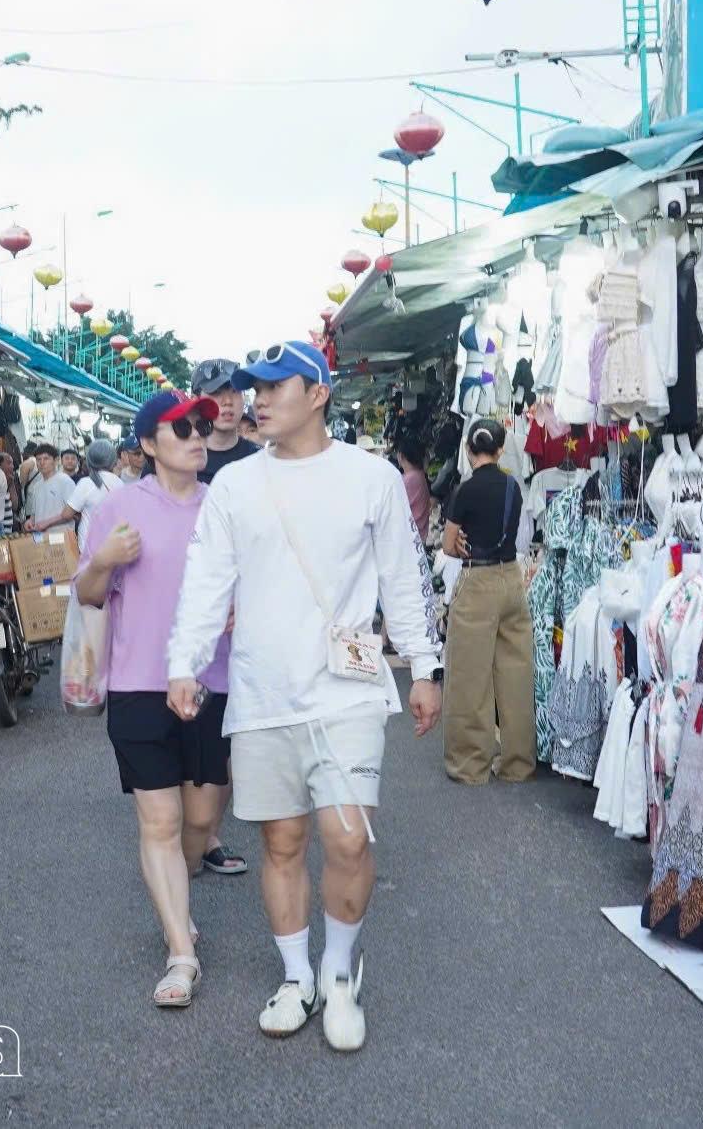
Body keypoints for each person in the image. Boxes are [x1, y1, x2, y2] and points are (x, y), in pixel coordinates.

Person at [167, 341, 442, 1051]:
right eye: (251, 388)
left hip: (345, 690)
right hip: (263, 689)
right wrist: (185, 663)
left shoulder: (370, 477)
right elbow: (207, 580)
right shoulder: (235, 486)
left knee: (347, 836)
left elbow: (401, 576)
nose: (255, 399)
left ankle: (340, 970)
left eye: (273, 386)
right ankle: (297, 976)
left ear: (317, 393)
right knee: (281, 840)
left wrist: (423, 666)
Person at [77, 390, 229, 1009]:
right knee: (160, 822)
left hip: (213, 682)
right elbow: (87, 594)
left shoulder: (224, 505)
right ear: (146, 444)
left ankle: (180, 898)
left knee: (199, 822)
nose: (198, 436)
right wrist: (105, 560)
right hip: (139, 684)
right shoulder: (118, 506)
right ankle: (180, 950)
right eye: (182, 428)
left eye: (202, 426)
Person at [188, 355, 260, 875]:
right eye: (219, 394)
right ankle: (198, 832)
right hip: (197, 619)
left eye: (236, 393)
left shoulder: (261, 461)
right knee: (198, 729)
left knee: (233, 734)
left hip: (251, 620)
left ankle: (207, 831)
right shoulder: (181, 460)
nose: (230, 402)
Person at [439, 418, 534, 786]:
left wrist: (460, 541)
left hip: (477, 581)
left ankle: (470, 764)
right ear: (500, 449)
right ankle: (518, 762)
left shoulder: (464, 491)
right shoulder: (512, 486)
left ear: (468, 450)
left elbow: (449, 546)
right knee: (515, 673)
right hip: (511, 579)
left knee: (469, 676)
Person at [39, 438, 122, 541]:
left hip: (90, 545)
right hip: (114, 543)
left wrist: (44, 523)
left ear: (89, 459)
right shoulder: (120, 483)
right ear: (113, 460)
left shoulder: (86, 483)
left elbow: (66, 514)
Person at [192, 358, 258, 484]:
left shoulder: (261, 460)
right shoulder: (175, 462)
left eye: (235, 391)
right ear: (195, 400)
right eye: (215, 392)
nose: (227, 401)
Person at [24, 443, 77, 533]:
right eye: (38, 459)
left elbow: (73, 513)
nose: (42, 462)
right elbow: (34, 513)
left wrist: (47, 523)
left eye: (46, 458)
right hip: (41, 537)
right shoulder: (37, 486)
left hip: (61, 537)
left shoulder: (64, 481)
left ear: (56, 461)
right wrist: (30, 521)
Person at [395, 438, 432, 546]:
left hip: (410, 537)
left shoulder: (408, 479)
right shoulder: (419, 474)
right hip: (418, 534)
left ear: (401, 455)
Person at [0, 451, 20, 531]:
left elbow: (15, 506)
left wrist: (11, 484)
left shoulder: (10, 480)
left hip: (8, 530)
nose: (13, 467)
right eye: (9, 463)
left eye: (12, 463)